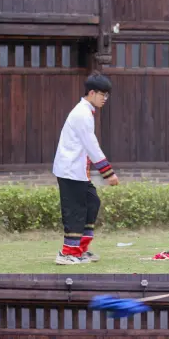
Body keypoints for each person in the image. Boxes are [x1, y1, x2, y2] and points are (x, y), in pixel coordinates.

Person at [52, 73, 119, 266]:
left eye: (107, 95)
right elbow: (92, 145)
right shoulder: (82, 113)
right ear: (92, 92)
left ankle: (80, 249)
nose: (105, 99)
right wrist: (108, 172)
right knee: (76, 210)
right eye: (103, 94)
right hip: (70, 170)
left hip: (78, 170)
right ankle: (67, 253)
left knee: (92, 202)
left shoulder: (86, 111)